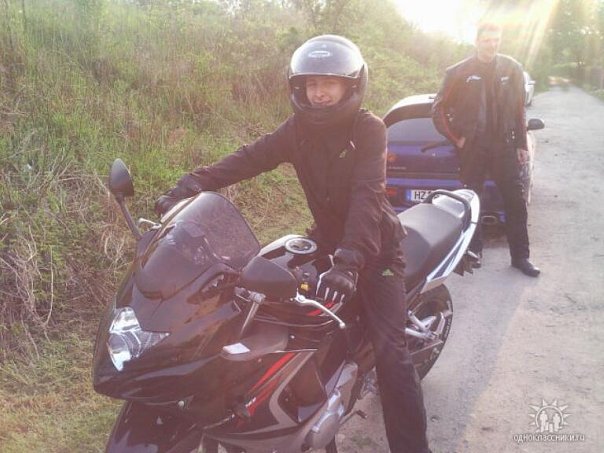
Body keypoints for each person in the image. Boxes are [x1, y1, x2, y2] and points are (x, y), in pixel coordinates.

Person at [156, 35, 430, 453]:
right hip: (326, 242)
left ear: (351, 85)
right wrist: (193, 183)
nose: (319, 93)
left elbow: (367, 196)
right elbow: (250, 157)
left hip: (377, 252)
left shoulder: (368, 129)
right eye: (311, 84)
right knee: (268, 310)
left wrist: (350, 261)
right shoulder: (297, 129)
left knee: (392, 355)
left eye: (329, 83)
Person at [432, 22, 540, 277]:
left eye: (496, 40)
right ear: (477, 42)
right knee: (472, 200)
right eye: (487, 40)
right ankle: (473, 252)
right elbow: (438, 108)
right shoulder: (459, 72)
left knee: (515, 201)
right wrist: (457, 139)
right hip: (474, 147)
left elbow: (518, 109)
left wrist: (520, 144)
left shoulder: (511, 68)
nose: (492, 45)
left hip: (504, 145)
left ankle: (521, 257)